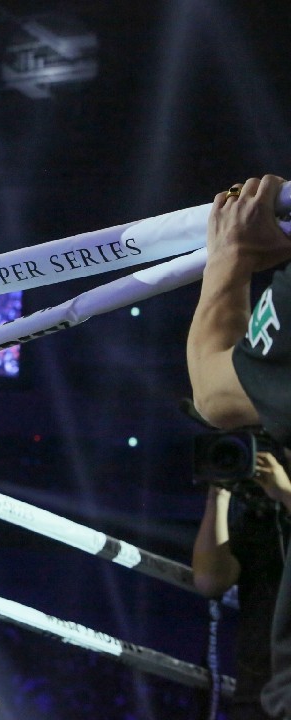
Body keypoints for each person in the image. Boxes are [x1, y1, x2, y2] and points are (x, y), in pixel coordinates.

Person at [188, 174, 291, 718]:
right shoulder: (251, 500)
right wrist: (222, 491)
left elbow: (214, 395)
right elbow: (211, 578)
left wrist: (232, 253)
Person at [192, 451, 291, 719]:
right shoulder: (260, 511)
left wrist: (286, 494)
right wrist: (219, 496)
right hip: (258, 689)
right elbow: (210, 581)